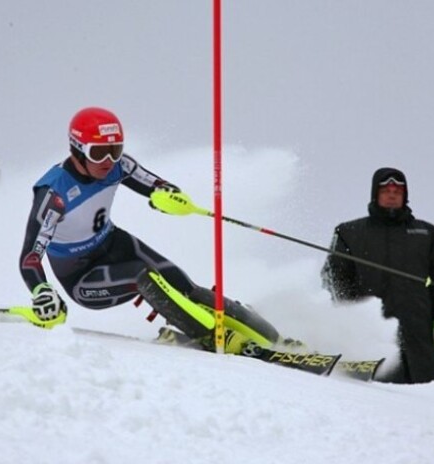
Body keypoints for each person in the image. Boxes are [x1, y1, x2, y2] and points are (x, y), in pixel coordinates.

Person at [18, 107, 284, 353]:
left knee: (180, 283)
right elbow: (30, 256)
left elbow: (157, 185)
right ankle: (212, 336)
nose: (109, 160)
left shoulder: (118, 166)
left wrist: (170, 198)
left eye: (116, 150)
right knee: (142, 276)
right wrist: (41, 290)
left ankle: (269, 334)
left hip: (111, 243)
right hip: (81, 277)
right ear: (77, 150)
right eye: (99, 152)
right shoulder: (54, 192)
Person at [321, 167, 434, 384]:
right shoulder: (349, 232)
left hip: (420, 337)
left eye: (398, 191)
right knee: (378, 405)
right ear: (375, 193)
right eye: (386, 190)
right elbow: (334, 278)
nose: (392, 194)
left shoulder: (426, 233)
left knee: (432, 401)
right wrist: (348, 317)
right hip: (371, 339)